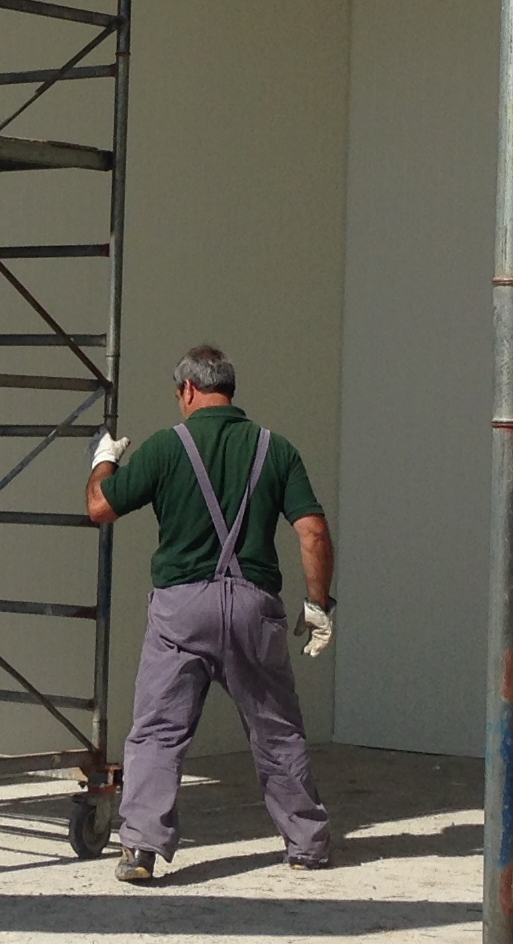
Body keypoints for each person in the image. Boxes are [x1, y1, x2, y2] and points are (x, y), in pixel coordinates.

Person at [84, 344, 335, 881]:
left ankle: (141, 848)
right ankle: (307, 845)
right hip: (253, 610)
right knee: (277, 731)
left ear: (188, 389)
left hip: (181, 612)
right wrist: (318, 603)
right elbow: (312, 530)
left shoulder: (164, 448)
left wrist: (104, 459)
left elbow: (99, 508)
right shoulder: (276, 449)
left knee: (157, 731)